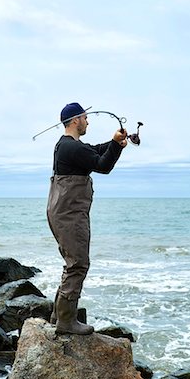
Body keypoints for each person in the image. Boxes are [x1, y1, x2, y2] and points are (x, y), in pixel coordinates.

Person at [47, 102, 127, 335]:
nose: (88, 121)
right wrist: (114, 146)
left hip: (64, 211)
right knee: (79, 264)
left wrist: (115, 144)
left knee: (73, 262)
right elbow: (102, 165)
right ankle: (66, 321)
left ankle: (57, 316)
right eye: (85, 117)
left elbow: (95, 150)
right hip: (69, 214)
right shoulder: (71, 148)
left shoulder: (66, 146)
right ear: (75, 121)